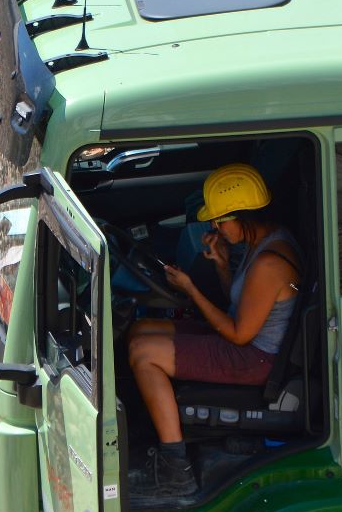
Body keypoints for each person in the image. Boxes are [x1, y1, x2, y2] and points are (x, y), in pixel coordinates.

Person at [126, 163, 301, 493]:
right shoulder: (263, 241)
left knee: (143, 353)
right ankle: (148, 422)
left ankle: (175, 467)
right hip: (246, 343)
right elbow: (238, 305)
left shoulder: (269, 263)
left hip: (254, 358)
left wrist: (191, 289)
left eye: (220, 221)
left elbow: (239, 334)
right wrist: (221, 263)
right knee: (141, 329)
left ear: (243, 215)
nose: (215, 226)